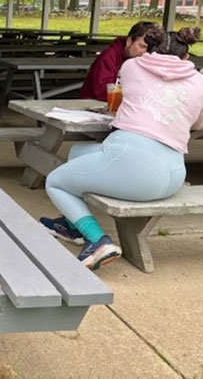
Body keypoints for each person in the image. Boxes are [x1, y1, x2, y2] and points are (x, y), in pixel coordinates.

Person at [41, 27, 203, 270]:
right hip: (173, 174)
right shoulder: (199, 81)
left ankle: (97, 241)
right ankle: (72, 225)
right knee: (76, 155)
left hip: (134, 166)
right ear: (187, 56)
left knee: (55, 181)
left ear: (150, 48)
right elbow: (198, 124)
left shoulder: (132, 67)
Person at [80, 21, 160, 101]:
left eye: (149, 49)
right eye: (142, 46)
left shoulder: (145, 58)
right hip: (92, 106)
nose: (145, 52)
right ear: (129, 41)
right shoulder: (108, 56)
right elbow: (101, 91)